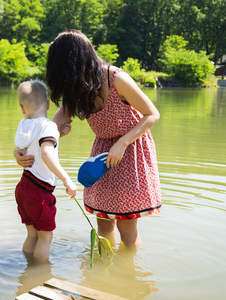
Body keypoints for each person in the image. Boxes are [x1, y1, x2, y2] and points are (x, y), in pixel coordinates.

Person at [14, 30, 162, 249]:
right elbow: (47, 130)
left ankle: (128, 273)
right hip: (102, 155)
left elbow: (153, 114)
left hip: (130, 149)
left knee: (127, 229)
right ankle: (105, 274)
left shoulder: (116, 79)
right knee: (104, 226)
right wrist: (20, 151)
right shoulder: (77, 89)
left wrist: (122, 142)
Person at [14, 79, 77, 262]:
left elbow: (33, 147)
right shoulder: (48, 126)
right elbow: (46, 153)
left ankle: (28, 267)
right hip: (39, 191)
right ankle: (40, 274)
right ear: (49, 104)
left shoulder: (23, 124)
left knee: (32, 235)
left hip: (24, 187)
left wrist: (57, 135)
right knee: (46, 238)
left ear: (22, 108)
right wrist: (67, 180)